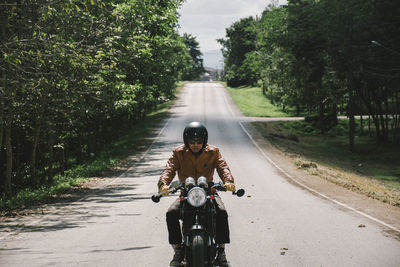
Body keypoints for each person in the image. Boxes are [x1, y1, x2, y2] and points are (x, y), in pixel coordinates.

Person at [157, 121, 236, 267]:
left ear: (204, 141)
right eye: (192, 141)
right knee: (171, 213)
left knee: (222, 212)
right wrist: (163, 184)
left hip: (208, 193)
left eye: (199, 141)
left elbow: (223, 167)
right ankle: (178, 250)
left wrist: (228, 181)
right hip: (186, 194)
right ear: (186, 141)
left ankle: (222, 251)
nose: (195, 144)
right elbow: (169, 169)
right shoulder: (178, 153)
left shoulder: (213, 152)